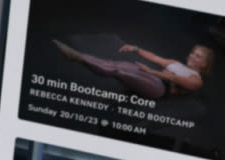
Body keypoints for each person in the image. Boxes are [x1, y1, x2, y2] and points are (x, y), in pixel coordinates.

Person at [54, 39, 213, 100]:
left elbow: (173, 79)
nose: (192, 56)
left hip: (159, 89)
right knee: (117, 64)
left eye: (197, 56)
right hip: (154, 78)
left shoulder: (196, 80)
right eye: (193, 53)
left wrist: (152, 72)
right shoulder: (177, 63)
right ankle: (78, 56)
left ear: (204, 64)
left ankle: (77, 57)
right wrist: (136, 48)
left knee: (120, 71)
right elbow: (154, 57)